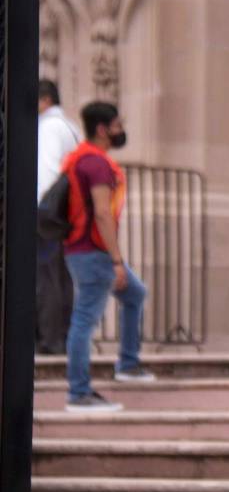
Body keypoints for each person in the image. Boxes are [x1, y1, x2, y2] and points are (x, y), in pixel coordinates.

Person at [61, 102, 154, 413]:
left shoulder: (80, 158)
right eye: (117, 125)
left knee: (135, 294)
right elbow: (102, 213)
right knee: (85, 320)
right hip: (93, 252)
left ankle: (128, 364)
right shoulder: (96, 163)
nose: (121, 130)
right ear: (102, 129)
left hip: (85, 249)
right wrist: (116, 260)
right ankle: (79, 393)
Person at [37, 79, 82, 355]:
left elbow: (47, 170)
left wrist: (39, 210)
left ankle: (49, 339)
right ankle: (60, 338)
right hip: (62, 212)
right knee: (59, 277)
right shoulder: (70, 127)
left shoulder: (48, 127)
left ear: (45, 100)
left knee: (46, 277)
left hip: (47, 211)